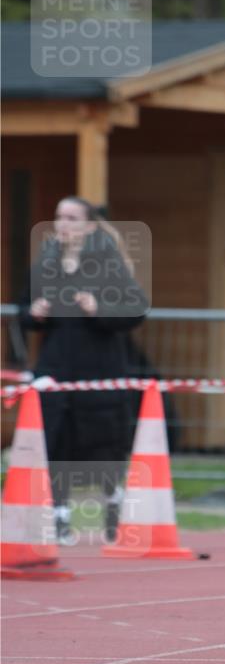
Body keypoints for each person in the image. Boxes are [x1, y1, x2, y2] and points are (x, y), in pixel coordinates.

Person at [18, 196, 148, 544]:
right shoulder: (45, 264)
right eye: (59, 216)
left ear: (90, 226)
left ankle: (111, 505)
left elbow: (136, 311)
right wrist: (36, 312)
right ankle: (59, 516)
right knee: (56, 439)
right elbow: (23, 313)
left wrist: (99, 308)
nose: (63, 224)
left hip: (99, 370)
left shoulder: (108, 265)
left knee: (102, 441)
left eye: (72, 218)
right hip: (56, 368)